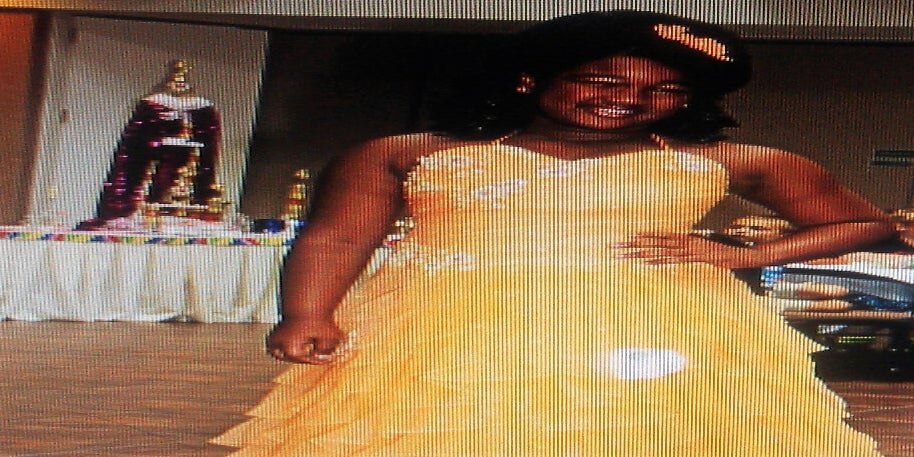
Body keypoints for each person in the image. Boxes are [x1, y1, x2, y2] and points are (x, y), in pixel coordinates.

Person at [213, 11, 894, 456]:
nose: (627, 98)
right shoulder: (409, 151)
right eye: (600, 79)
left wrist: (748, 254)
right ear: (529, 80)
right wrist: (305, 311)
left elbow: (864, 223)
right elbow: (336, 238)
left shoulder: (732, 160)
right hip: (441, 329)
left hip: (653, 328)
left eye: (664, 90)